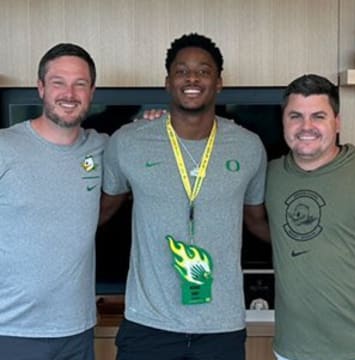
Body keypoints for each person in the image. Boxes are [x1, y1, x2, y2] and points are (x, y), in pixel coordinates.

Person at [100, 33, 269, 360]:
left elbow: (258, 220)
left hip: (221, 328)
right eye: (182, 71)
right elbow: (100, 213)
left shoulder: (249, 147)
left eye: (203, 71)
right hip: (148, 325)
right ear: (167, 82)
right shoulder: (128, 142)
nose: (192, 77)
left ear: (219, 83)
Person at [0, 43, 108, 359]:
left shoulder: (102, 148)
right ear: (41, 88)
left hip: (78, 332)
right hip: (11, 330)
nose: (69, 93)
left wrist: (154, 121)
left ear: (92, 91)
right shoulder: (4, 147)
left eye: (80, 84)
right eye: (58, 82)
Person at [266, 74, 355, 360]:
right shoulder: (268, 175)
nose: (306, 127)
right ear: (283, 121)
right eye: (296, 116)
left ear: (337, 122)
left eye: (318, 116)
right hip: (290, 350)